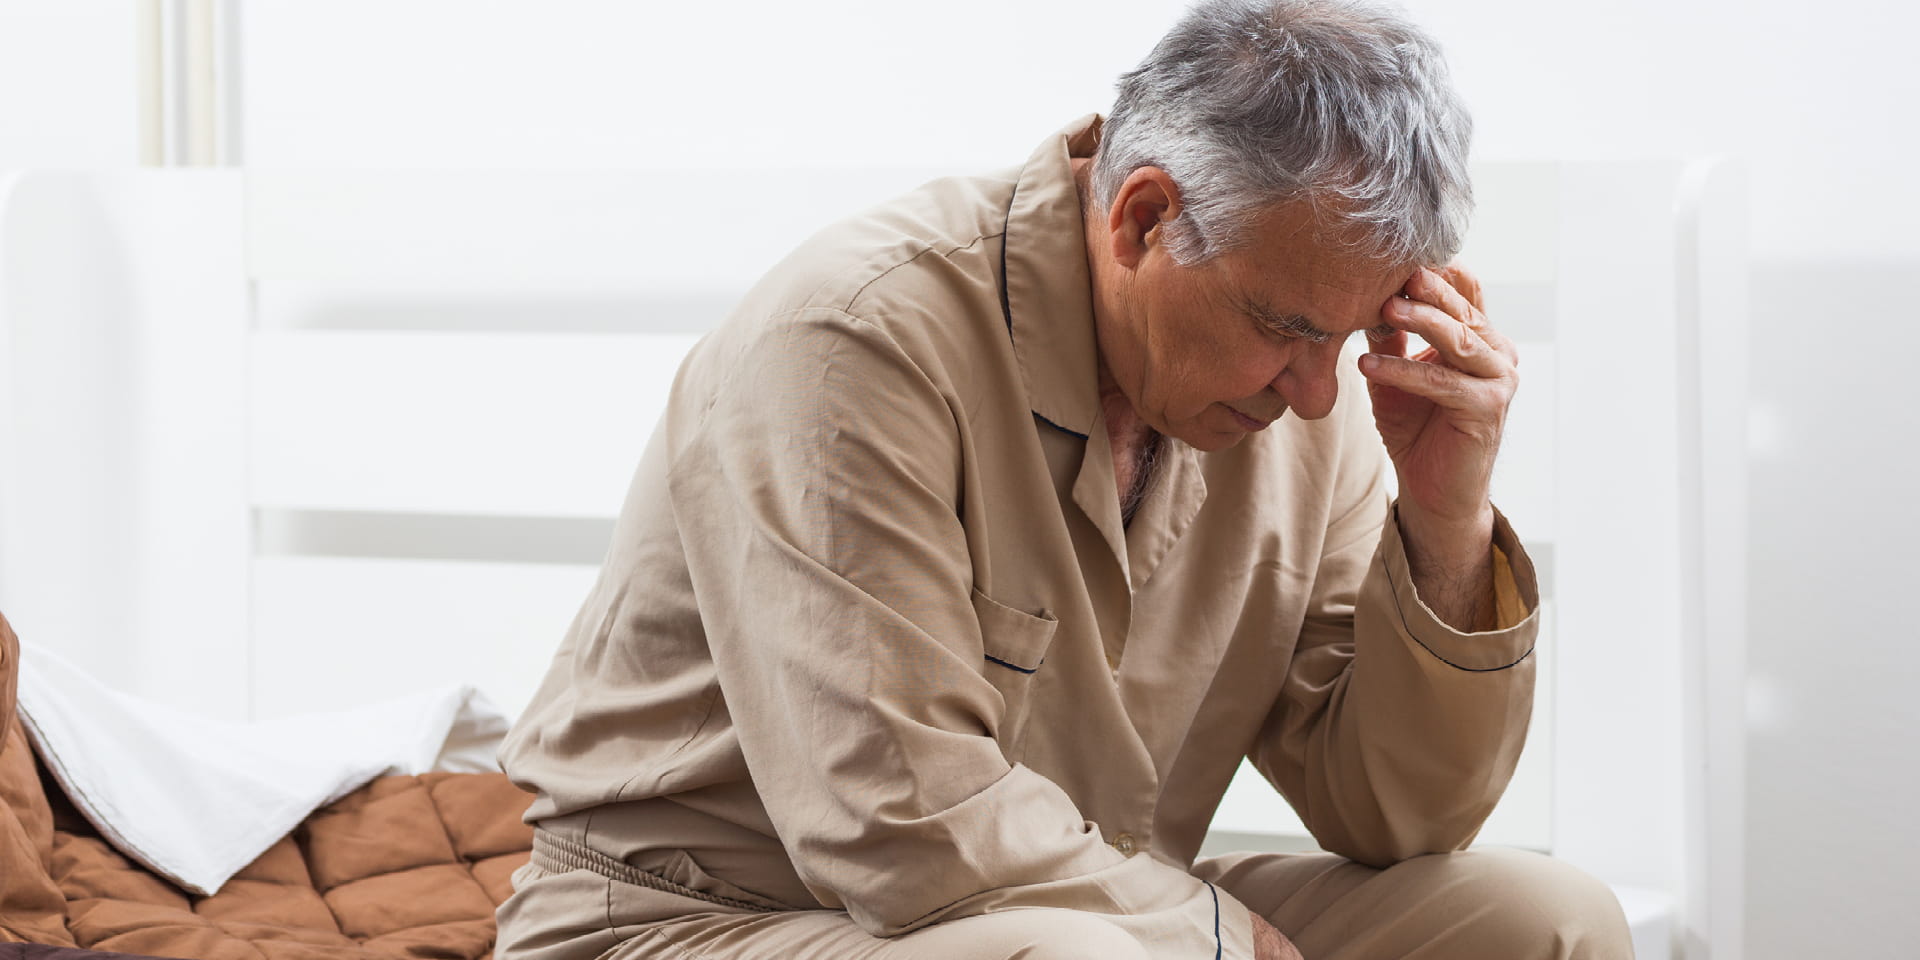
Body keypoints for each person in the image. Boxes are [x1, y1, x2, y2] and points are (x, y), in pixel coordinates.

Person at [493, 0, 1634, 957]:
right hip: (701, 919)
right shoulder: (850, 341)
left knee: (1547, 923)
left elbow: (1397, 813)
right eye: (1286, 330)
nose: (1319, 394)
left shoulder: (1300, 394)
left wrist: (1445, 522)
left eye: (1343, 340)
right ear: (1142, 219)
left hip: (1083, 912)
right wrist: (1221, 942)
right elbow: (900, 825)